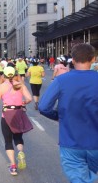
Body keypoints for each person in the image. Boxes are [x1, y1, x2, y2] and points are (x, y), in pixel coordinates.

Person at [38, 43, 98, 183]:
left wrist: (59, 116)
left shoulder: (61, 80)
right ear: (93, 59)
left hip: (71, 142)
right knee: (90, 176)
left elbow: (43, 107)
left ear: (73, 59)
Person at [0, 66, 32, 176]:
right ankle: (20, 152)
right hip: (18, 114)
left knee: (8, 140)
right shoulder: (20, 85)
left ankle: (13, 167)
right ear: (15, 74)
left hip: (6, 115)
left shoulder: (1, 87)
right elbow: (29, 98)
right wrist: (23, 103)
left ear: (3, 75)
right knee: (18, 137)